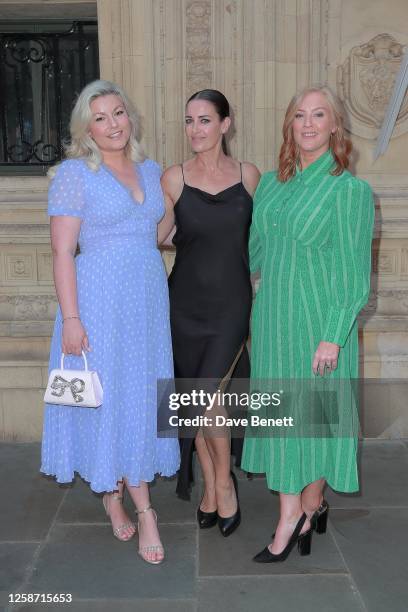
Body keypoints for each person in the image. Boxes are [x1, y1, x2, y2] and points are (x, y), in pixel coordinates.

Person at [41, 80, 180, 564]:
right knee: (107, 399)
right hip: (96, 304)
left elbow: (159, 230)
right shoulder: (76, 174)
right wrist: (73, 319)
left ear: (130, 117)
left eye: (118, 112)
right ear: (87, 128)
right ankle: (138, 508)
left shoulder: (151, 168)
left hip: (145, 303)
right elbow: (62, 251)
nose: (112, 124)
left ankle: (120, 495)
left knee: (140, 395)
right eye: (100, 117)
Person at [241, 85, 374, 561]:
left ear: (336, 125)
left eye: (320, 115)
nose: (310, 123)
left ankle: (298, 513)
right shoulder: (272, 184)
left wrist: (333, 336)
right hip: (275, 321)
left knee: (315, 421)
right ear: (289, 125)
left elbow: (355, 273)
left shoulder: (349, 191)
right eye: (300, 115)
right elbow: (253, 252)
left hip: (321, 326)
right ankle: (303, 509)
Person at [159, 89, 260, 535]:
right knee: (196, 403)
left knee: (211, 398)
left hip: (232, 303)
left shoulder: (250, 175)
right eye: (189, 120)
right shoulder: (174, 178)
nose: (195, 129)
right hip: (184, 305)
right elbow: (156, 235)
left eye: (204, 120)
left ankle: (223, 484)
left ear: (226, 123)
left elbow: (265, 236)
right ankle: (212, 489)